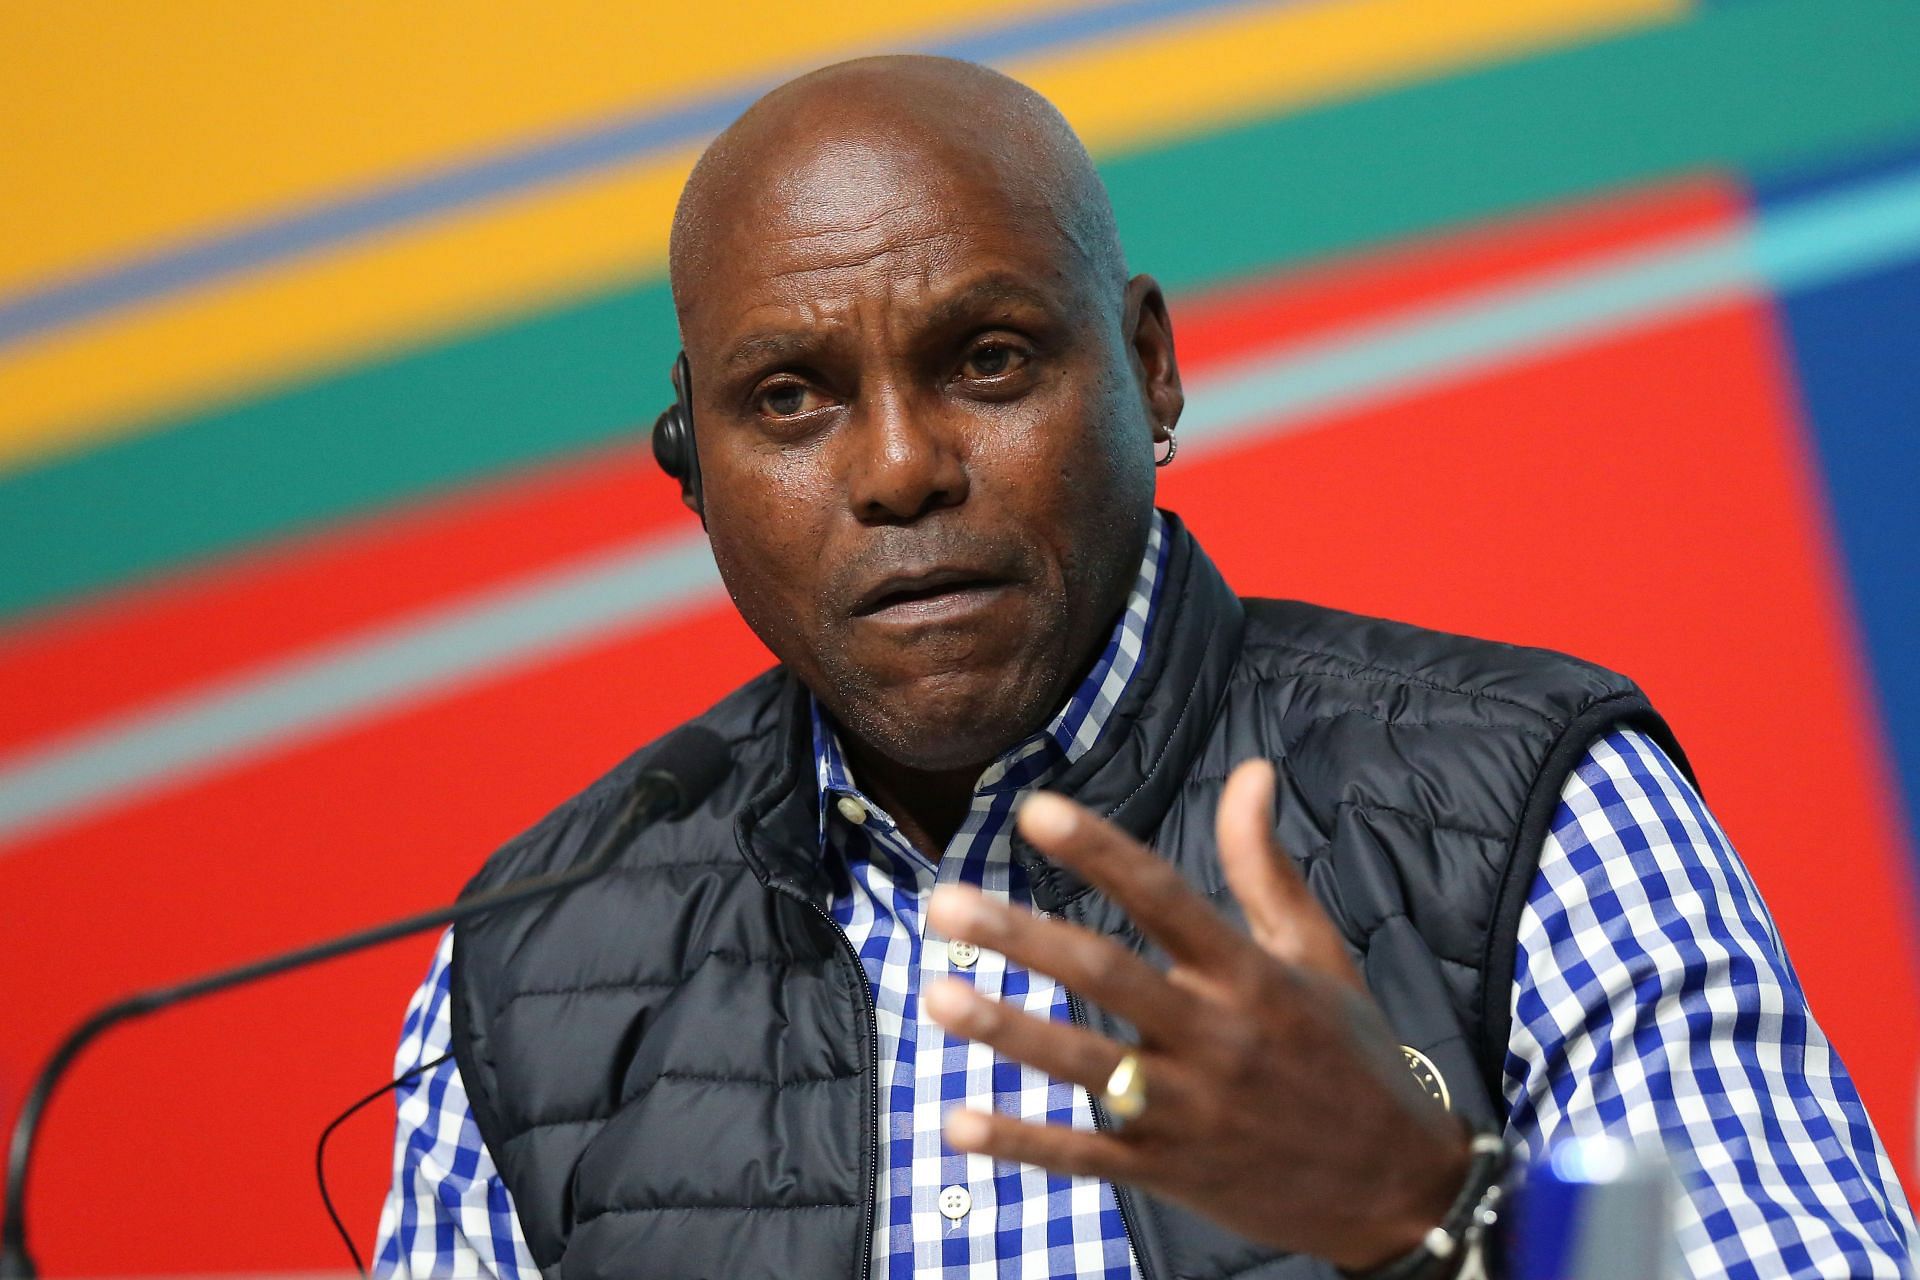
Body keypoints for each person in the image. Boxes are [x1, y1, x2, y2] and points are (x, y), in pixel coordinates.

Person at [373, 56, 1914, 1279]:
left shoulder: (1523, 810)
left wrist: (1439, 1224)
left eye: (986, 361)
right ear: (689, 461)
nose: (902, 469)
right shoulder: (534, 960)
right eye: (791, 399)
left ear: (1149, 368)